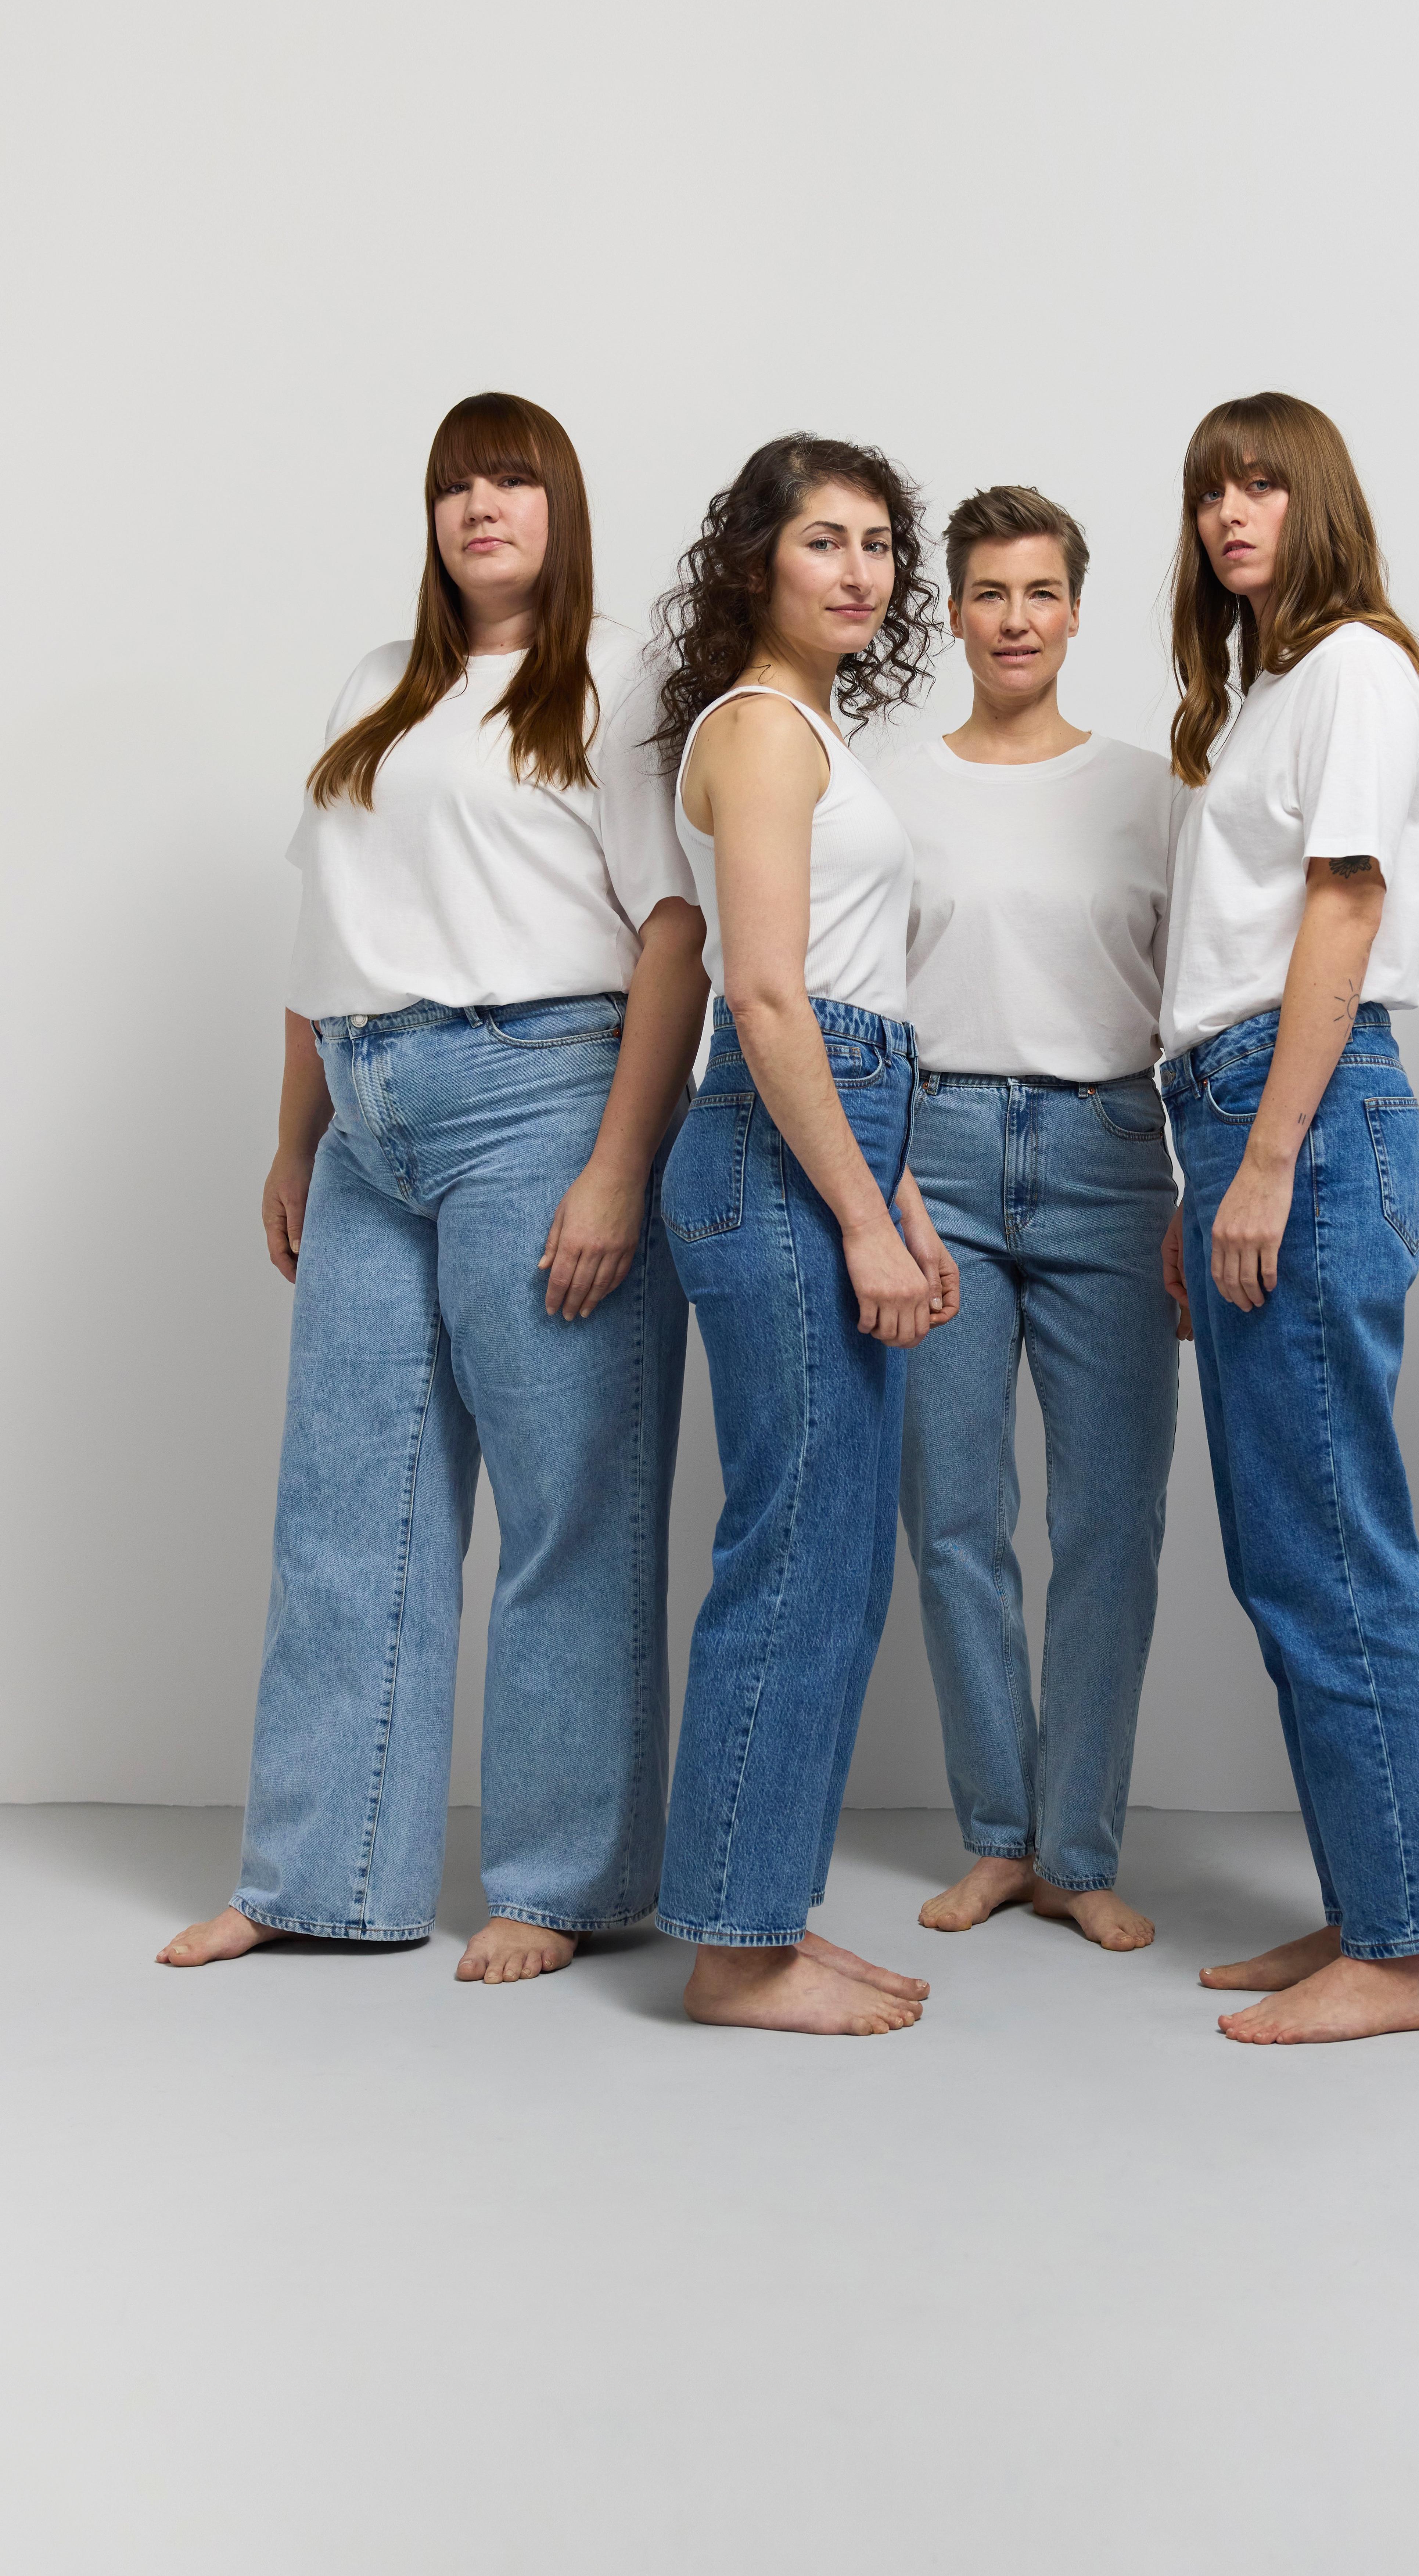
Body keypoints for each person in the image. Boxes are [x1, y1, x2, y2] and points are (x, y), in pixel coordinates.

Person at [160, 393, 707, 1983]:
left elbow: (675, 931)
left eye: (513, 481)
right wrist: (294, 1139)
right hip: (367, 1113)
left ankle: (560, 1880)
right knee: (346, 1505)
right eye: (457, 484)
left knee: (568, 1508)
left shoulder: (613, 680)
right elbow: (322, 938)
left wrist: (620, 1165)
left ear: (560, 507)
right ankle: (319, 1875)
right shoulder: (377, 685)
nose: (482, 507)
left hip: (543, 1096)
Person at [1157, 392, 1419, 2044]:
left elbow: (1347, 907)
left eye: (1262, 485)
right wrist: (1203, 1175)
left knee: (1333, 1534)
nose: (1232, 513)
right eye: (1212, 490)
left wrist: (1268, 1158)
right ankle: (1372, 1897)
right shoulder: (1269, 691)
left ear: (1318, 500)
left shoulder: (1355, 665)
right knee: (1288, 1542)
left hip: (1307, 1110)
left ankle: (1405, 1949)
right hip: (1234, 1110)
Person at [654, 433, 958, 2037]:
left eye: (879, 543)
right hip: (775, 1157)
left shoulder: (813, 727)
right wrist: (859, 1215)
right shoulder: (763, 730)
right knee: (796, 1549)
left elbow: (847, 991)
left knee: (833, 1554)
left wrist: (898, 1194)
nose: (860, 569)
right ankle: (732, 1948)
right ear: (758, 560)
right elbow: (768, 997)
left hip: (838, 1134)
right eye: (824, 539)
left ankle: (762, 1911)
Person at [877, 486, 1182, 1953]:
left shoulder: (1152, 789)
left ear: (1075, 610)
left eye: (1041, 591)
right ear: (953, 613)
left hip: (1111, 1152)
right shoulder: (887, 787)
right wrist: (884, 1178)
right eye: (989, 592)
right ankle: (1000, 1836)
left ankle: (1080, 1847)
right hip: (933, 1154)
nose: (1015, 619)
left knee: (1110, 1519)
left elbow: (1202, 995)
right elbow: (858, 995)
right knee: (954, 1514)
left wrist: (1198, 1182)